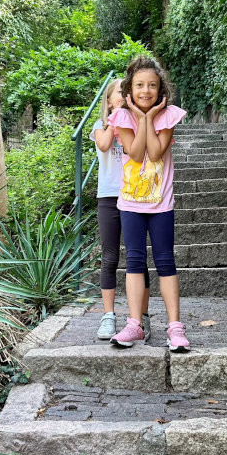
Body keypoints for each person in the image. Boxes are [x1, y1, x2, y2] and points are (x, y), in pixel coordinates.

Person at [107, 57, 189, 352]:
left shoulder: (168, 116)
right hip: (130, 204)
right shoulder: (121, 117)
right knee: (134, 261)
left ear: (160, 89)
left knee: (165, 261)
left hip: (161, 203)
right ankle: (134, 324)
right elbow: (135, 152)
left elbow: (154, 154)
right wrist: (141, 119)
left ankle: (175, 327)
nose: (146, 91)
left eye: (152, 85)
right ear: (130, 89)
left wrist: (150, 117)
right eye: (140, 85)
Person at [90, 79, 151, 341]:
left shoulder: (135, 124)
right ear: (108, 101)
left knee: (137, 256)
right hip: (108, 196)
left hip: (134, 195)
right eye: (119, 92)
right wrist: (115, 118)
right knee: (109, 256)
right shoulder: (100, 126)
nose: (125, 95)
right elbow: (105, 145)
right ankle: (108, 316)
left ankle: (142, 317)